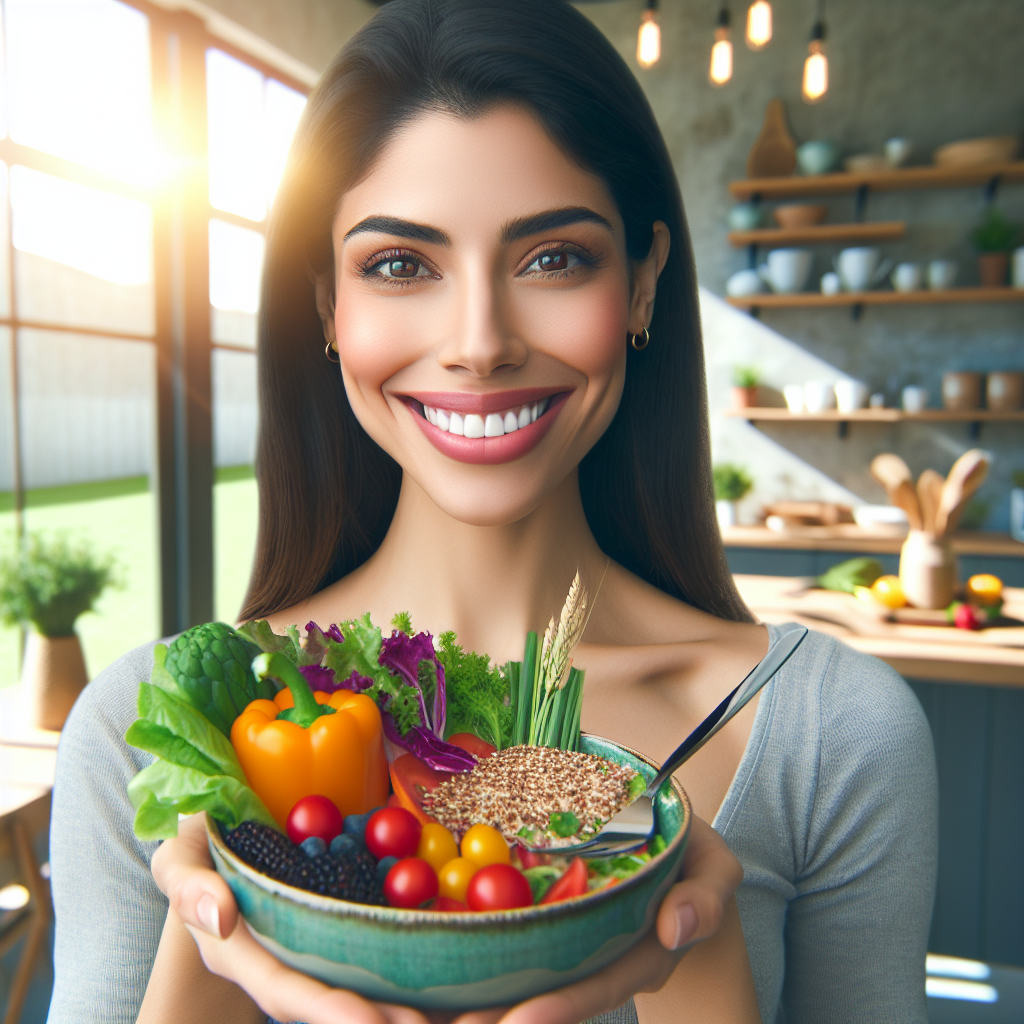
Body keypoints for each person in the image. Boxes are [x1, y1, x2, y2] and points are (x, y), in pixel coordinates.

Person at [46, 2, 937, 1022]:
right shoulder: (135, 733)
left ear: (643, 285)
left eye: (553, 256)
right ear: (329, 308)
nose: (479, 341)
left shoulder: (834, 736)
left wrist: (691, 935)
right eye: (399, 264)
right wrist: (216, 939)